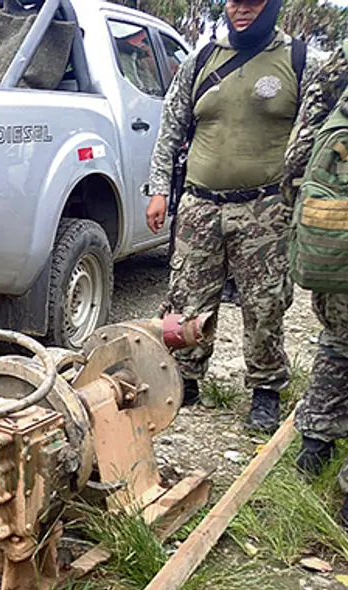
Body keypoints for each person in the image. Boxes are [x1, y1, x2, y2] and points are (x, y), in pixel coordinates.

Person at [145, 0, 317, 432]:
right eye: (234, 1)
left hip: (266, 208)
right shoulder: (203, 59)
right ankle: (185, 378)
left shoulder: (298, 61)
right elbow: (171, 125)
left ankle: (265, 391)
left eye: (253, 2)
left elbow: (315, 133)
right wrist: (159, 189)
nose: (241, 10)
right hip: (199, 204)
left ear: (272, 6)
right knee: (186, 297)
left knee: (265, 302)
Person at [284, 40, 348, 525]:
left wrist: (298, 216)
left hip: (332, 235)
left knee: (337, 339)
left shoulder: (337, 63)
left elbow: (300, 150)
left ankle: (315, 445)